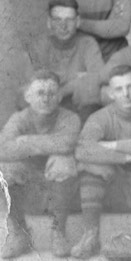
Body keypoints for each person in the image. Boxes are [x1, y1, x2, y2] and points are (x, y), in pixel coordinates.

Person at [71, 66, 131, 259]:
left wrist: (113, 145)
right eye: (119, 89)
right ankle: (90, 234)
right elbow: (83, 149)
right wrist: (125, 157)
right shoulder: (100, 117)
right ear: (111, 93)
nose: (126, 94)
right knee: (91, 166)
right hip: (113, 188)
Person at [0, 70, 80, 258]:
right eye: (40, 93)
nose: (45, 99)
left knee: (63, 162)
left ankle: (58, 233)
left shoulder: (69, 118)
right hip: (29, 181)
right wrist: (48, 145)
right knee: (4, 171)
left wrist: (26, 141)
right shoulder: (19, 119)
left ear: (59, 97)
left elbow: (66, 144)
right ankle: (19, 234)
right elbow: (3, 148)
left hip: (61, 183)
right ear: (28, 96)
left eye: (51, 93)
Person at [23, 0, 104, 120]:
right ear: (49, 22)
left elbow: (97, 76)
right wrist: (76, 81)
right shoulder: (39, 45)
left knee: (91, 89)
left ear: (77, 22)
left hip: (78, 109)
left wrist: (63, 89)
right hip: (47, 107)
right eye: (57, 20)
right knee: (24, 95)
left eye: (69, 20)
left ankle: (84, 131)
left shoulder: (87, 43)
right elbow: (33, 83)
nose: (63, 26)